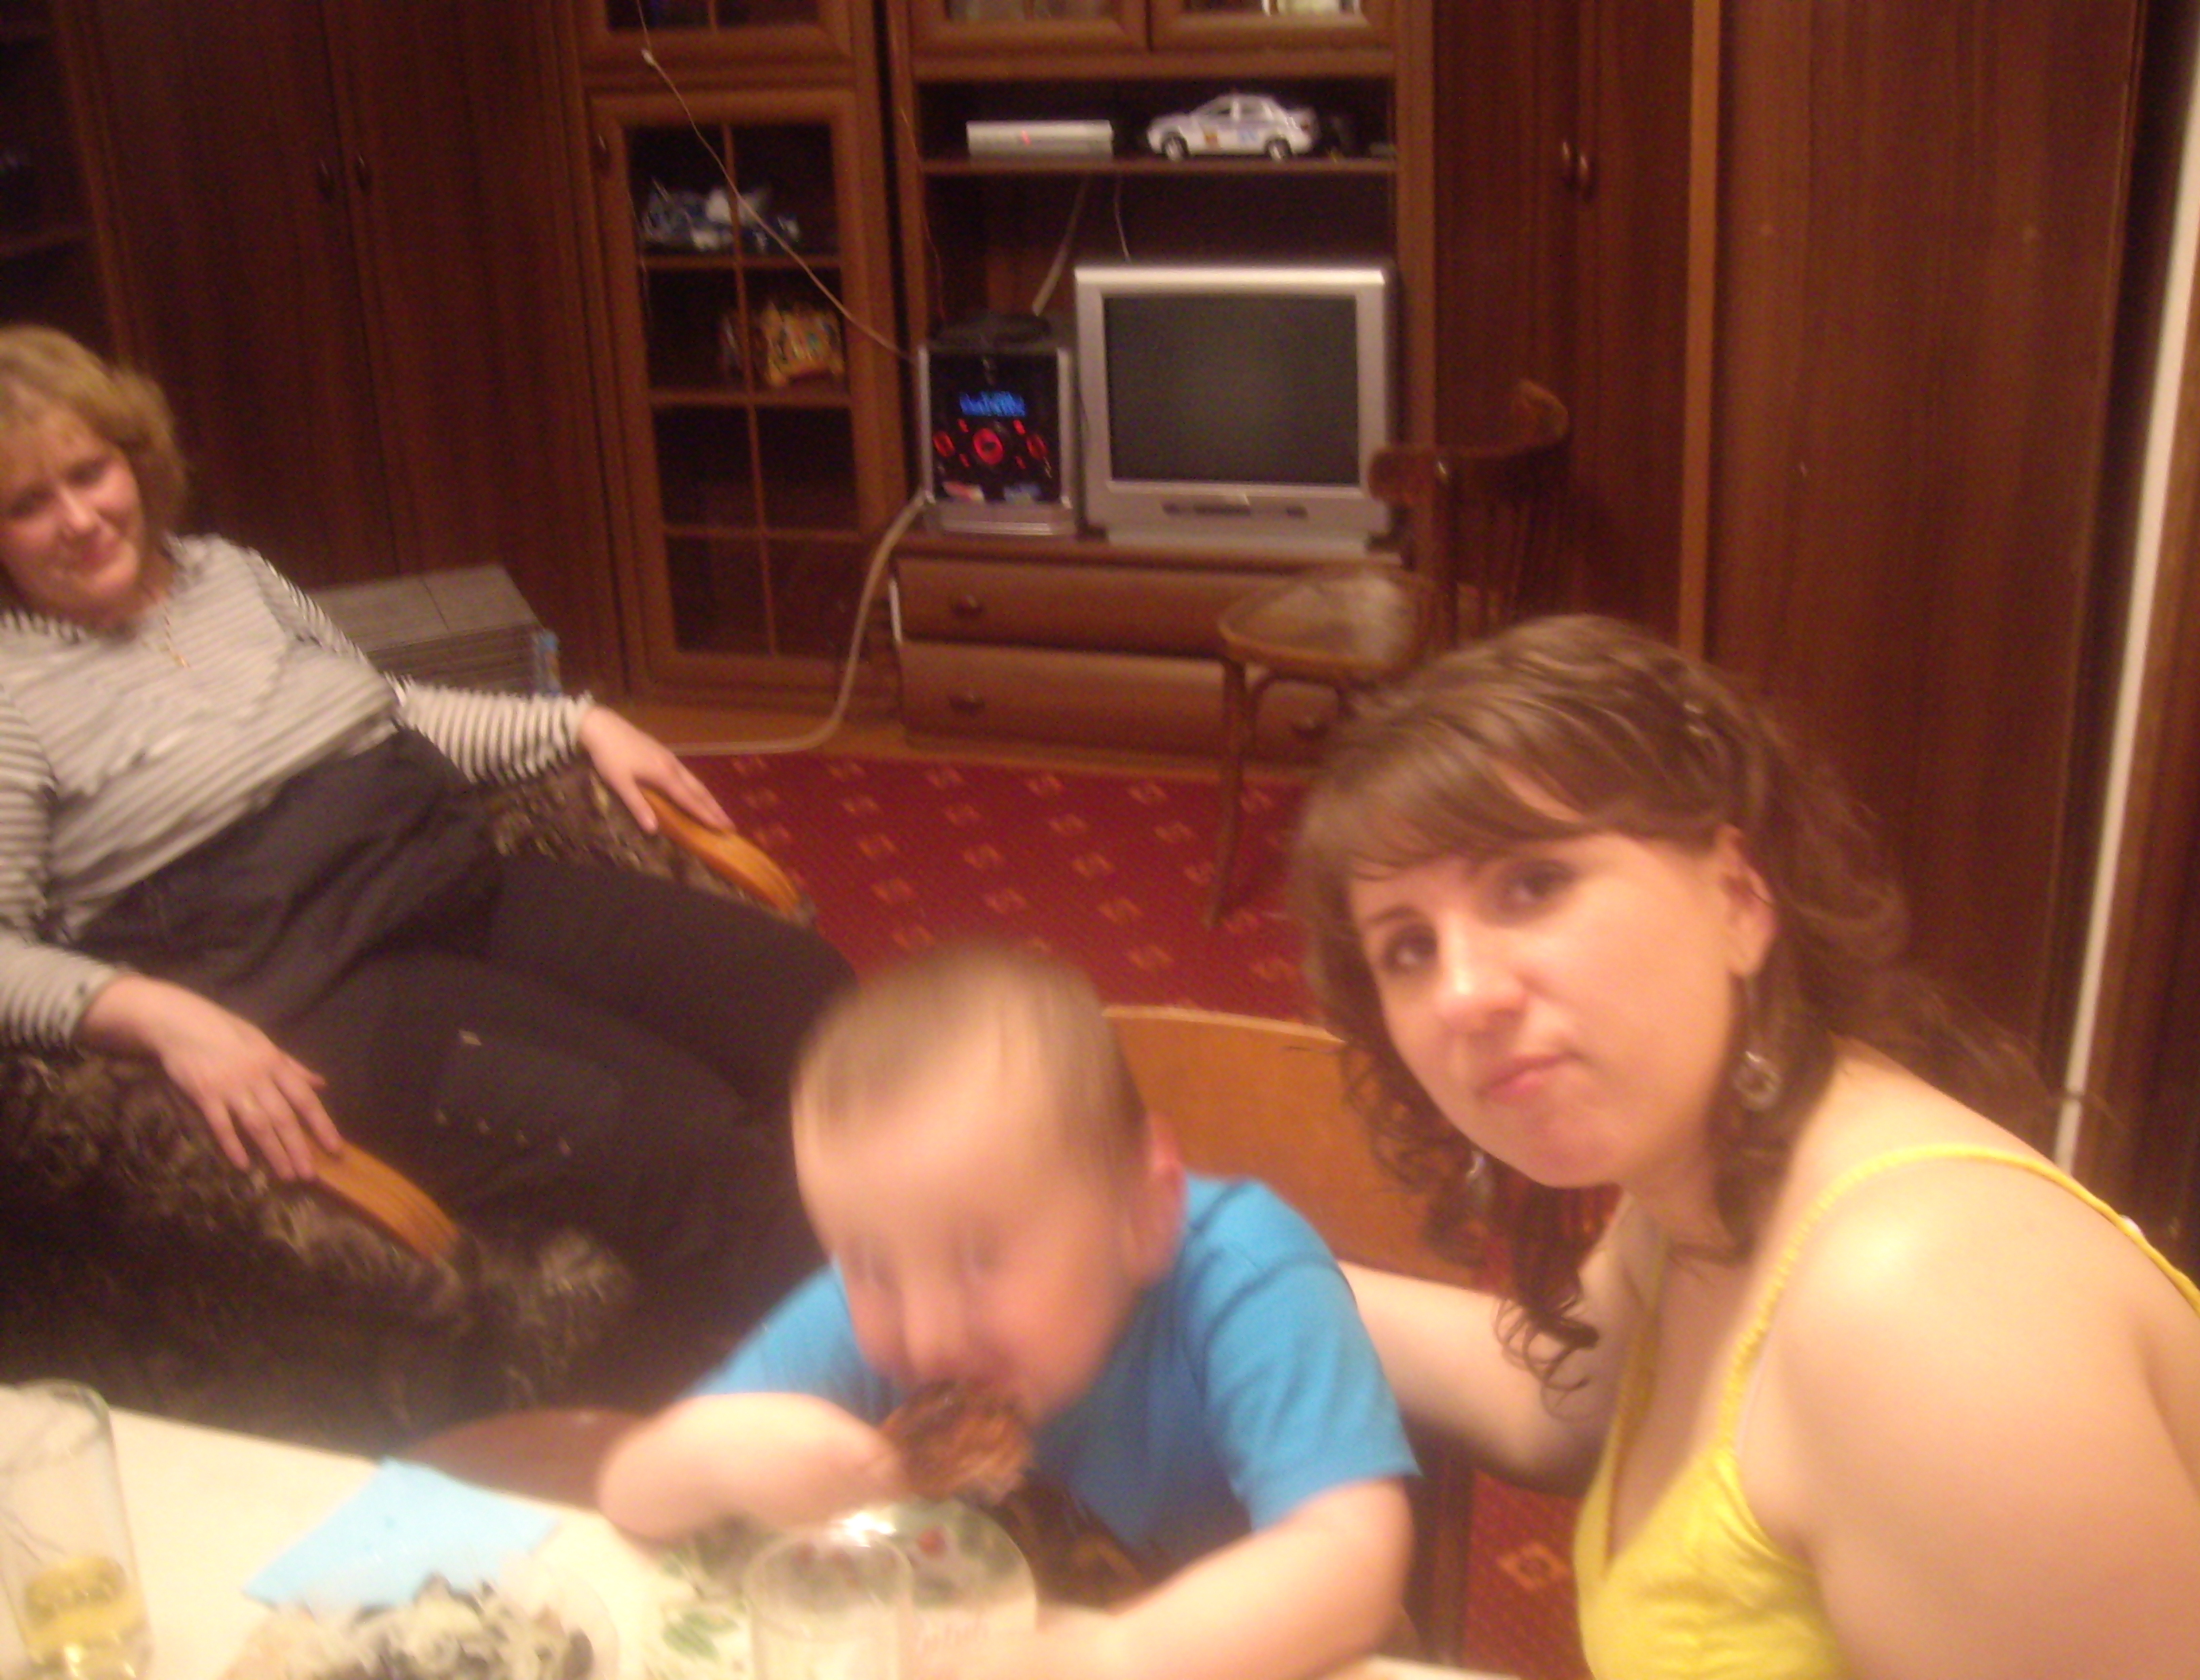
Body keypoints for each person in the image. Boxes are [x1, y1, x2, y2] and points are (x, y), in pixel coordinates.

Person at [1289, 613, 2200, 1679]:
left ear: (1739, 899)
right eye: (1408, 948)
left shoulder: (1924, 1315)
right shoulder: (1708, 1167)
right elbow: (1553, 1398)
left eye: (1532, 885)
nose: (1462, 995)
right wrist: (1233, 1262)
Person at [0, 324, 850, 1347]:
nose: (80, 519)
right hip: (313, 989)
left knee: (809, 1001)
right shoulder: (11, 694)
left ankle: (931, 1268)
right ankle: (869, 1389)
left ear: (133, 460)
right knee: (677, 1138)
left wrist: (578, 723)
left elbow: (387, 706)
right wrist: (160, 1017)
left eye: (89, 472)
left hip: (448, 881)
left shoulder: (229, 575)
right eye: (26, 504)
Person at [597, 941, 1415, 1680]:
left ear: (1143, 1216)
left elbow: (1352, 1560)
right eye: (868, 1265)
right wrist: (712, 1454)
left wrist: (1111, 1658)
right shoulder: (869, 1308)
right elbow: (628, 1492)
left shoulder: (1244, 1278)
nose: (926, 1336)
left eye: (979, 1258)